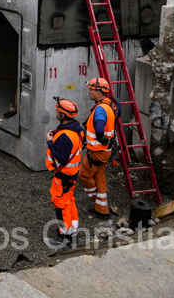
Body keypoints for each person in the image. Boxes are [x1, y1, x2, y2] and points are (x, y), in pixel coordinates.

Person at [78, 78, 118, 221]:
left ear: (99, 92)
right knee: (99, 176)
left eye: (91, 90)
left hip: (97, 152)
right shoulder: (109, 105)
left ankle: (95, 200)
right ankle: (102, 210)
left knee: (84, 176)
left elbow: (100, 128)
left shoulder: (100, 109)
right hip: (104, 151)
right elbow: (116, 114)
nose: (89, 91)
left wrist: (101, 138)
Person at [46, 98, 83, 248]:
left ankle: (64, 236)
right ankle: (72, 231)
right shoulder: (77, 129)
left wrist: (49, 141)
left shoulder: (65, 136)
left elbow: (61, 159)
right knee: (69, 202)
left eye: (57, 111)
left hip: (63, 176)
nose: (55, 112)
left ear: (62, 114)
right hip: (71, 175)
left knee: (60, 204)